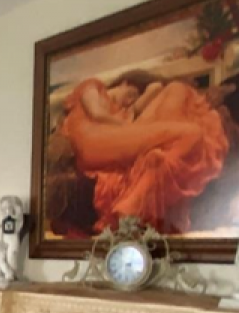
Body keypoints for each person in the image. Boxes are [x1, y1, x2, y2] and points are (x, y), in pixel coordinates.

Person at [59, 71, 230, 234]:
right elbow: (96, 113)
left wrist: (149, 93)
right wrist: (127, 125)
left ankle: (142, 188)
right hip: (93, 140)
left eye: (135, 98)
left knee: (176, 92)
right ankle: (133, 204)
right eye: (131, 93)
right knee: (191, 133)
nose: (130, 100)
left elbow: (152, 93)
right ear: (124, 83)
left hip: (112, 140)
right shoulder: (92, 86)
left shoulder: (123, 112)